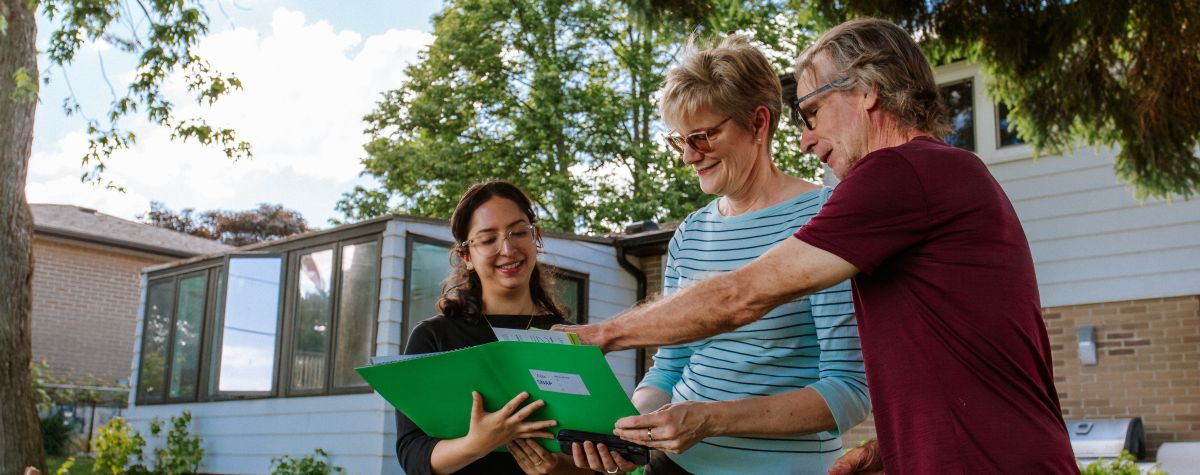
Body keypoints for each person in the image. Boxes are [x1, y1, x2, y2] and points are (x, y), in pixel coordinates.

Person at [556, 18, 1079, 474]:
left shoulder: (900, 172)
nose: (805, 137)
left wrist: (600, 334)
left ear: (868, 91)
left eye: (813, 111)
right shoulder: (932, 177)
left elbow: (742, 298)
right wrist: (893, 449)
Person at [587, 35, 869, 475]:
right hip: (676, 465)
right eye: (679, 140)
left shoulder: (826, 219)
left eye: (701, 136)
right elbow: (670, 367)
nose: (687, 156)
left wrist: (710, 420)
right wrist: (631, 427)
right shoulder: (690, 234)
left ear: (758, 123)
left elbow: (848, 391)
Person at [395, 180, 619, 475]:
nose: (508, 248)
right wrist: (477, 443)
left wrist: (562, 469)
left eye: (519, 232)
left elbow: (608, 456)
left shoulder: (570, 338)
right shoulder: (434, 337)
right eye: (488, 239)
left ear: (535, 236)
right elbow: (412, 453)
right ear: (466, 256)